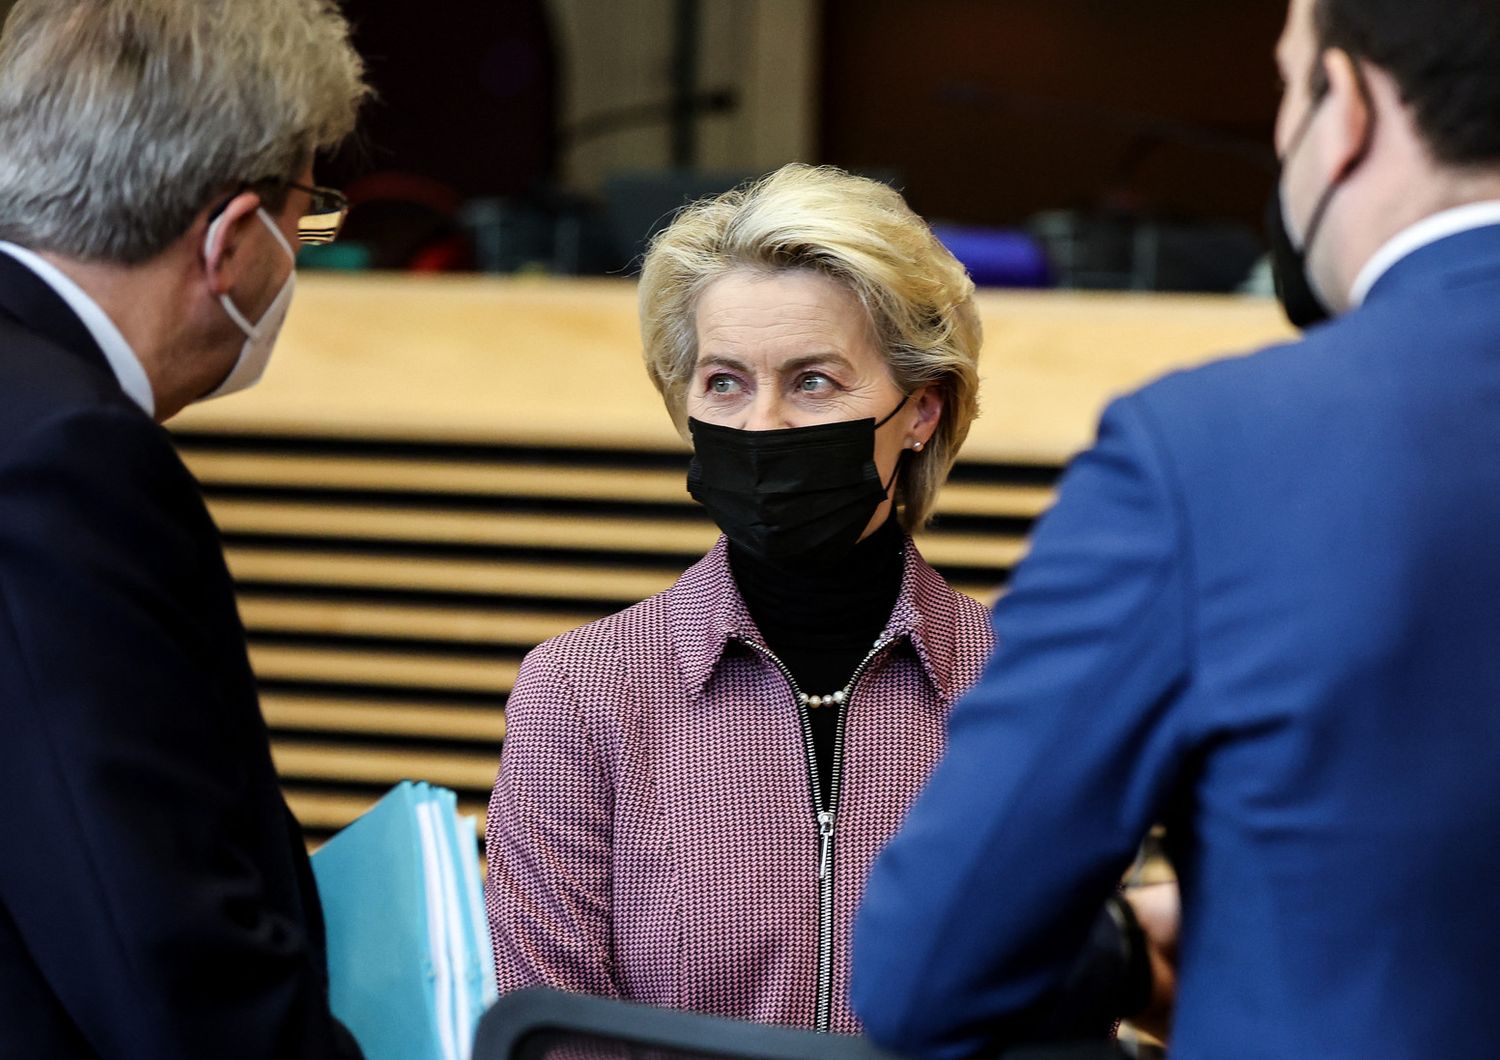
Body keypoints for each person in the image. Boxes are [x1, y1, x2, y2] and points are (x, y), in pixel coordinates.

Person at [851, 0, 1500, 1057]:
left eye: (1288, 85)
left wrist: (1129, 949)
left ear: (1349, 110)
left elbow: (927, 971)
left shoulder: (1207, 453)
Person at [484, 164, 995, 1035]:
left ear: (922, 410)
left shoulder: (1015, 690)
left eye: (813, 381)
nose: (760, 425)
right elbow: (550, 1038)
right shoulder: (580, 693)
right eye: (724, 382)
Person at [0, 1, 368, 1056]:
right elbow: (158, 951)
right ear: (233, 239)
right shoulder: (64, 455)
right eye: (312, 216)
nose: (303, 251)